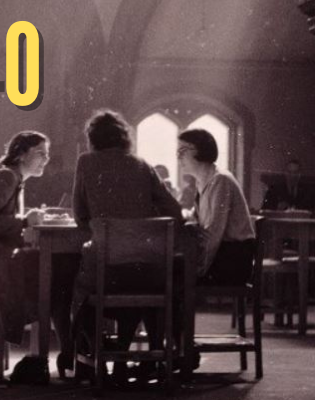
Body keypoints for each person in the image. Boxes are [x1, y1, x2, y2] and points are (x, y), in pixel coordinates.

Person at [0, 131, 77, 385]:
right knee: (56, 277)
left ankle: (66, 351)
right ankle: (68, 351)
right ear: (21, 154)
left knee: (53, 275)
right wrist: (24, 220)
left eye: (48, 154)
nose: (46, 159)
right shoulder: (5, 177)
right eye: (40, 153)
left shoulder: (13, 179)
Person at [72, 109, 183, 382]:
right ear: (124, 138)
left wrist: (101, 228)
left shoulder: (86, 162)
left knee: (75, 281)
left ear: (93, 139)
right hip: (148, 273)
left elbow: (79, 215)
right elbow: (174, 210)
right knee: (139, 277)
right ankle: (131, 356)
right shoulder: (141, 164)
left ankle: (87, 355)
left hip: (108, 274)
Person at [177, 128, 255, 284]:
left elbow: (213, 234)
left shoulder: (220, 180)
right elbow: (200, 222)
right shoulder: (203, 181)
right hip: (222, 253)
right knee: (174, 269)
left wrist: (197, 270)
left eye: (182, 151)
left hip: (234, 259)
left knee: (175, 273)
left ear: (200, 150)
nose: (178, 157)